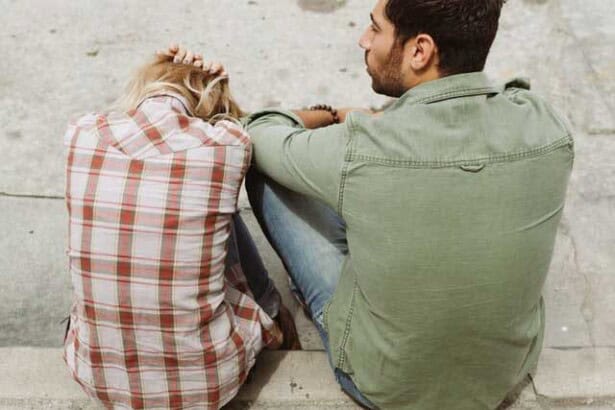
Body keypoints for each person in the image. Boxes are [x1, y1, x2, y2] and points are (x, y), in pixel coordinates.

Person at [169, 0, 574, 407]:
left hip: (382, 385)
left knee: (271, 172)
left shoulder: (362, 147)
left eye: (375, 29)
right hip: (501, 376)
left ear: (420, 51)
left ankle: (280, 312)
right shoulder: (547, 126)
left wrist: (334, 115)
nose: (364, 40)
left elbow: (257, 131)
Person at [63, 53, 300, 410]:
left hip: (97, 380)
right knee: (213, 215)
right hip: (208, 385)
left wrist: (159, 64)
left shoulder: (80, 135)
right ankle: (277, 323)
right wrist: (218, 83)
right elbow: (237, 124)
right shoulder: (227, 146)